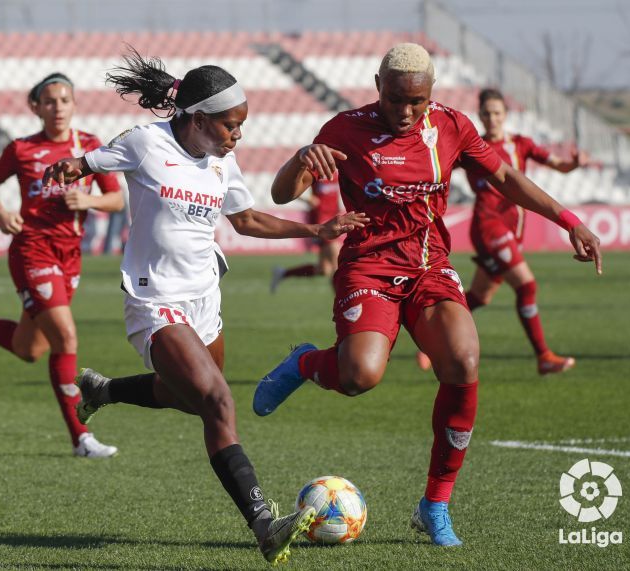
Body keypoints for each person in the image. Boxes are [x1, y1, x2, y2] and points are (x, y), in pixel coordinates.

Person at [252, 44, 602, 547]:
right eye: (396, 99)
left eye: (417, 100)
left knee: (463, 361)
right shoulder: (343, 129)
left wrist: (570, 221)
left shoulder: (452, 126)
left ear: (431, 93)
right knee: (359, 377)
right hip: (370, 265)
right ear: (378, 86)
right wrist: (300, 158)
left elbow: (505, 177)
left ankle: (434, 504)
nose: (406, 111)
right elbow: (284, 195)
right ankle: (306, 363)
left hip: (430, 267)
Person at [42, 49, 367, 564]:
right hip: (154, 299)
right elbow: (89, 161)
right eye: (230, 125)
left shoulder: (223, 162)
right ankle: (264, 524)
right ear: (197, 118)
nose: (238, 134)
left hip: (205, 298)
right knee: (217, 402)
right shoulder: (146, 143)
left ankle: (104, 390)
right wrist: (70, 168)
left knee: (188, 397)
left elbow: (247, 220)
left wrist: (315, 230)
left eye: (242, 125)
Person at [0, 72, 124, 459]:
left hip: (69, 255)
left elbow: (116, 200)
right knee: (66, 339)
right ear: (36, 107)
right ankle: (81, 438)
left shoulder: (88, 147)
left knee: (29, 348)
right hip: (31, 250)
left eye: (65, 100)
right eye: (50, 101)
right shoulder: (21, 149)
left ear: (74, 105)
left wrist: (89, 202)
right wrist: (1, 212)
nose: (58, 107)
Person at [415, 88, 588, 375]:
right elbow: (437, 168)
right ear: (480, 116)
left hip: (510, 229)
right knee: (527, 286)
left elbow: (559, 166)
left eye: (497, 113)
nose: (492, 119)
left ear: (506, 115)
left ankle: (428, 343)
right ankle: (544, 356)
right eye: (486, 114)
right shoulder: (471, 146)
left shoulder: (521, 144)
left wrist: (575, 163)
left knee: (480, 297)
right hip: (488, 226)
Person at [269, 171, 343, 293]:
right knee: (337, 266)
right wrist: (308, 198)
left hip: (333, 217)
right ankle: (342, 305)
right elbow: (292, 185)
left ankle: (283, 273)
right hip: (321, 220)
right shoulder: (317, 169)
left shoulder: (338, 169)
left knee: (324, 269)